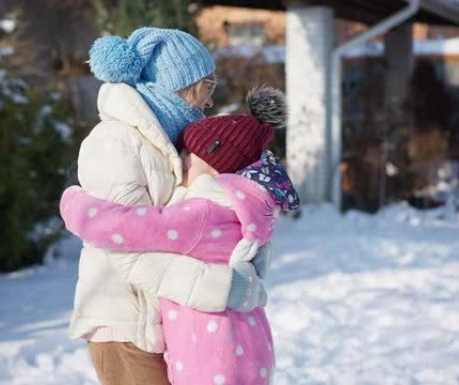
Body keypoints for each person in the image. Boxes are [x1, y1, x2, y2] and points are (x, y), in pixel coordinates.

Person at [61, 87, 301, 384]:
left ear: (214, 163)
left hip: (212, 357)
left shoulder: (202, 214)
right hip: (247, 349)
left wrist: (74, 200)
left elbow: (125, 227)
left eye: (189, 154)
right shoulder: (241, 208)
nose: (181, 161)